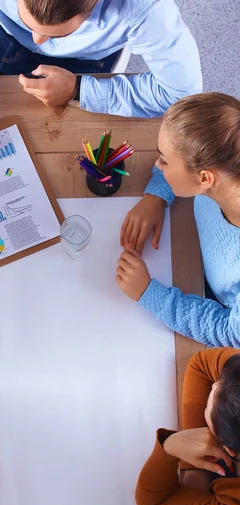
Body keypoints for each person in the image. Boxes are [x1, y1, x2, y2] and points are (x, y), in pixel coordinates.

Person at [0, 0, 202, 171]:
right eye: (28, 21)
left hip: (76, 67)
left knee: (54, 162)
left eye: (57, 34)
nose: (37, 41)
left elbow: (181, 92)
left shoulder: (146, 9)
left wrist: (79, 90)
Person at [116, 92, 240, 348]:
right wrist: (157, 195)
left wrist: (149, 293)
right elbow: (186, 151)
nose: (158, 164)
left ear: (205, 179)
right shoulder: (228, 150)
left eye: (164, 161)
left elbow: (229, 332)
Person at [135, 347, 240, 505]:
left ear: (229, 449)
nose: (213, 385)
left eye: (207, 412)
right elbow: (202, 364)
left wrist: (171, 446)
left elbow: (155, 504)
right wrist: (196, 471)